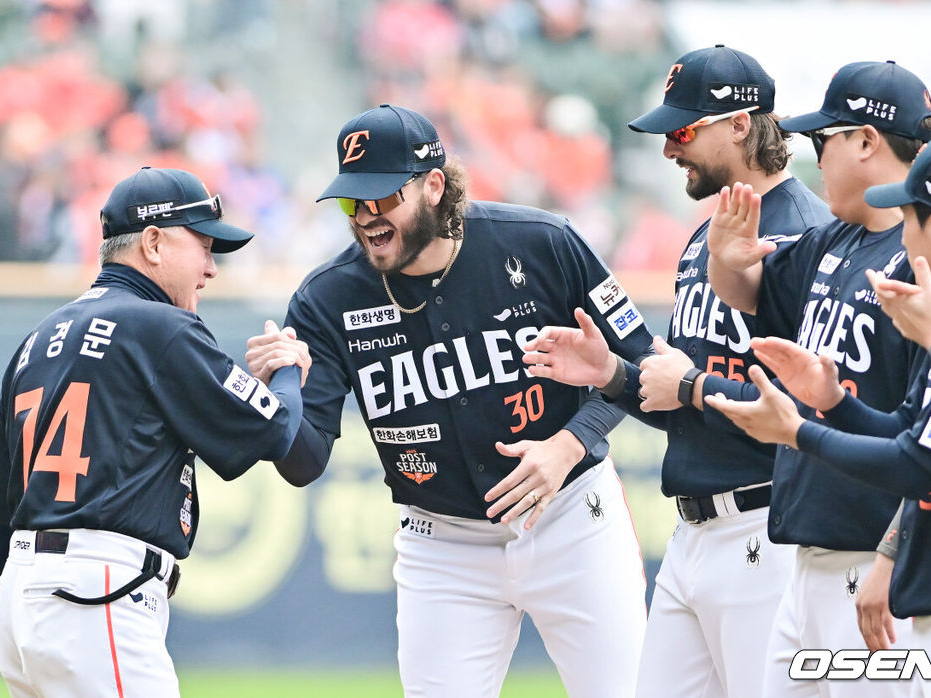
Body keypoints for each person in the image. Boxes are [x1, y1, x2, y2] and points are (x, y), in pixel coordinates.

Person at [249, 103, 652, 698]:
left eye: (383, 197)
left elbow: (643, 365)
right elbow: (303, 462)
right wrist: (280, 390)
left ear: (434, 185)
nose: (365, 217)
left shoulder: (542, 243)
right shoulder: (327, 298)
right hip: (443, 545)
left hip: (571, 518)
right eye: (351, 202)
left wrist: (569, 446)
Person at [522, 44, 831, 698]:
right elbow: (669, 393)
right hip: (691, 536)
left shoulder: (806, 235)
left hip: (764, 526)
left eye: (684, 131)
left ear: (741, 124)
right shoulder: (705, 237)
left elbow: (810, 409)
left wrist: (689, 386)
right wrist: (610, 374)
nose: (669, 149)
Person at [0, 167, 314, 698]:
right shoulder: (161, 325)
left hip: (22, 597)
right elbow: (283, 432)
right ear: (153, 243)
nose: (211, 267)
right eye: (203, 244)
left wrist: (25, 594)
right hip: (96, 590)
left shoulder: (39, 339)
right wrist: (288, 367)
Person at [701, 60, 931, 696]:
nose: (815, 157)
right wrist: (725, 260)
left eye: (822, 140)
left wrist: (894, 552)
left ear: (866, 140)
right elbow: (747, 290)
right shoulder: (834, 238)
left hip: (873, 562)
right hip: (805, 560)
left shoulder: (928, 263)